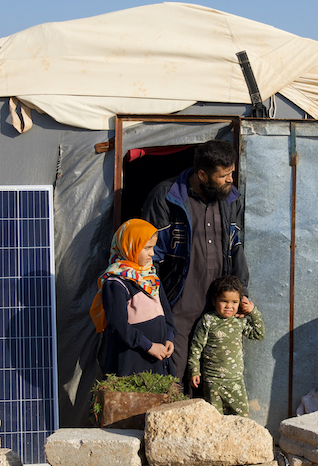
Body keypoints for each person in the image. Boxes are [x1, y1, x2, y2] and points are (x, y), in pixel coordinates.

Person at [142, 139, 249, 379]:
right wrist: (156, 307)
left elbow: (236, 249)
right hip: (178, 308)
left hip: (217, 310)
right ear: (202, 175)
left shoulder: (231, 200)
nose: (231, 180)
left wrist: (241, 294)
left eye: (231, 173)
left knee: (214, 378)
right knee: (176, 377)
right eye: (224, 175)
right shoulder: (166, 197)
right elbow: (150, 257)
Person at [89, 219, 177, 378]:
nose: (152, 253)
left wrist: (169, 336)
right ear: (129, 246)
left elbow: (165, 310)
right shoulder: (116, 282)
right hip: (132, 359)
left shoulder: (150, 277)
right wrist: (149, 346)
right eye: (147, 248)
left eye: (153, 247)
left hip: (158, 357)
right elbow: (118, 325)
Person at [187, 275, 264, 415]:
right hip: (212, 381)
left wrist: (253, 312)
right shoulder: (208, 320)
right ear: (214, 301)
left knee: (241, 416)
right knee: (214, 418)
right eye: (224, 301)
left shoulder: (240, 322)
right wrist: (194, 370)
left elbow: (258, 334)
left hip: (235, 381)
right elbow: (196, 347)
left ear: (240, 302)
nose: (229, 306)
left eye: (234, 302)